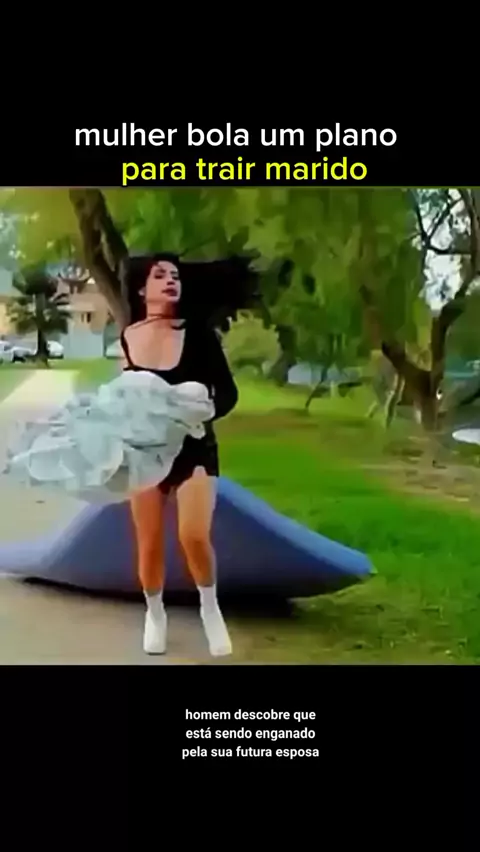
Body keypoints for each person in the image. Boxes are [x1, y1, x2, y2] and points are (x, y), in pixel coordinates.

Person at [120, 252, 247, 658]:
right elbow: (124, 396)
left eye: (175, 275)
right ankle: (155, 614)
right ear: (142, 289)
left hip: (194, 448)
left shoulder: (199, 335)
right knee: (149, 543)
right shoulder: (128, 337)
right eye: (160, 275)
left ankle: (210, 608)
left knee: (192, 535)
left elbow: (228, 394)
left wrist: (201, 407)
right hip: (145, 451)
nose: (170, 280)